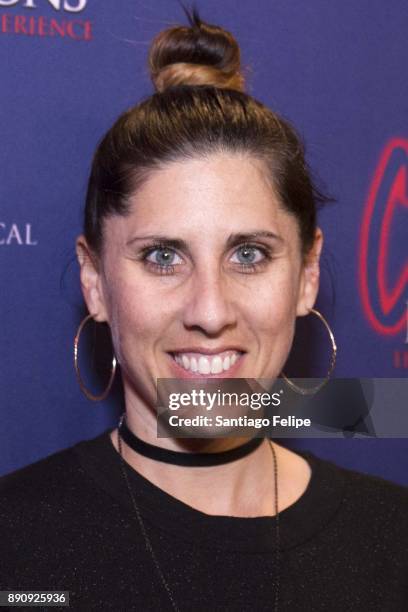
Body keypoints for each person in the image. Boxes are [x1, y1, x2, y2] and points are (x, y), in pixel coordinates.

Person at [1, 8, 407, 612]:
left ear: (307, 274)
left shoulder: (393, 539)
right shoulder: (15, 545)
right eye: (163, 256)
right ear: (95, 281)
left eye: (249, 253)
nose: (210, 311)